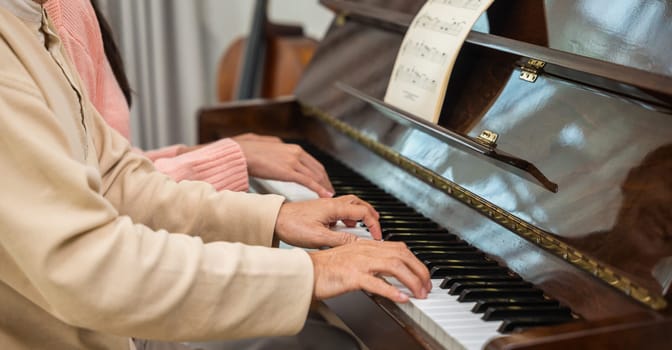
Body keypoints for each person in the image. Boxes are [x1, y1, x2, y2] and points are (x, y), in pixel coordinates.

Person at [0, 2, 432, 350]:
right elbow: (88, 268)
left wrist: (273, 217)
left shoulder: (32, 17)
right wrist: (312, 271)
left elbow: (118, 178)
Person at [44, 0, 335, 198]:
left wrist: (226, 150)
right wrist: (235, 156)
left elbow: (114, 165)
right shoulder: (58, 11)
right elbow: (102, 191)